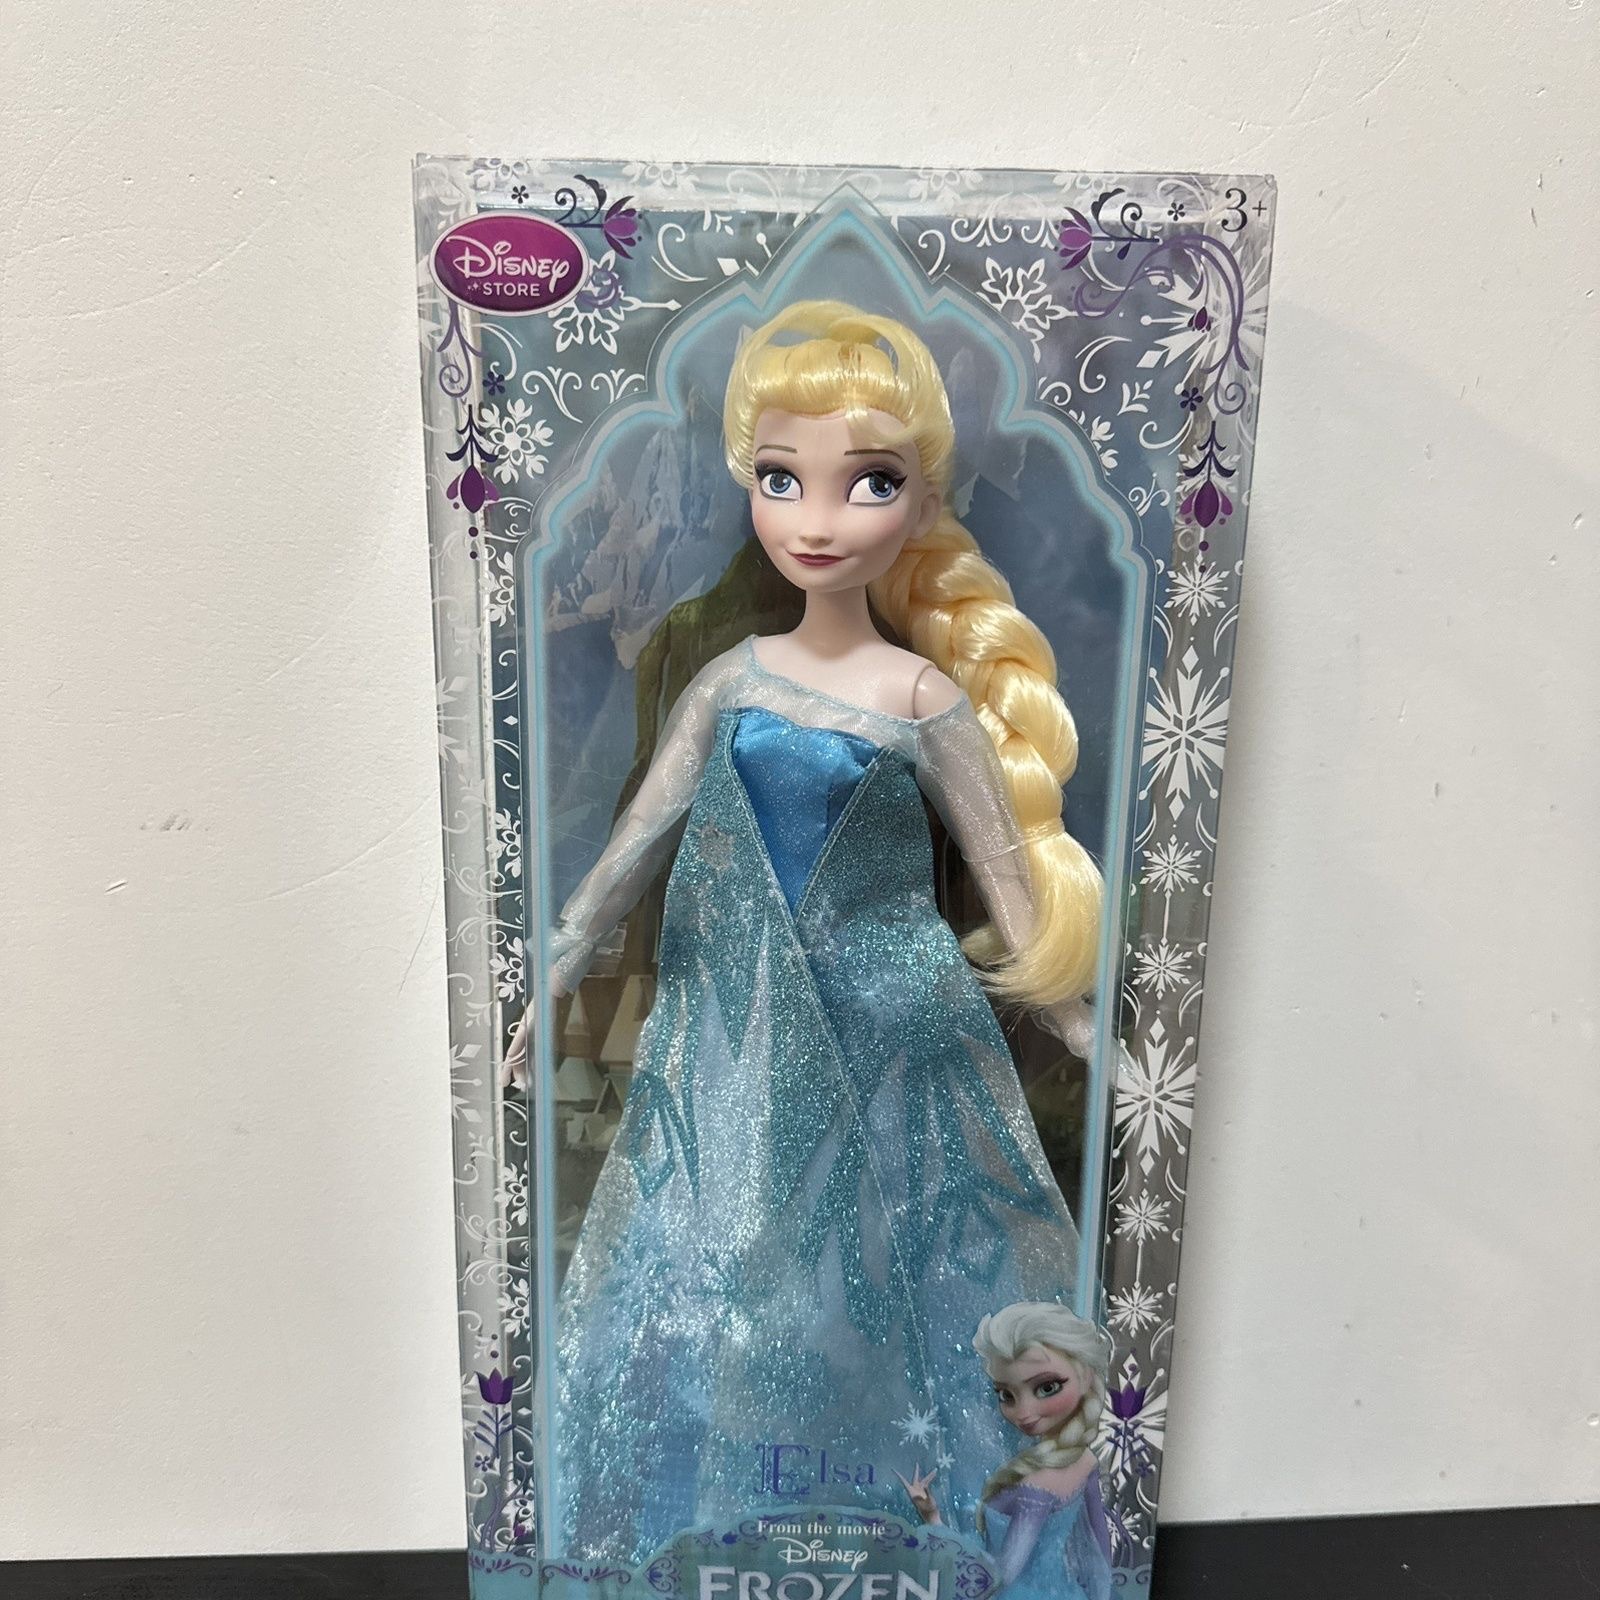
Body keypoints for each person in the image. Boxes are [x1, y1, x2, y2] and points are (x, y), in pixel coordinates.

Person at [522, 300, 1105, 1563]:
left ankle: (918, 1515)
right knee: (732, 1262)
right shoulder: (731, 678)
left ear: (923, 498)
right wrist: (561, 959)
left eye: (870, 481)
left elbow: (1002, 866)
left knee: (901, 1259)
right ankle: (729, 1518)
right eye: (782, 479)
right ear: (748, 483)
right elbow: (640, 835)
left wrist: (1070, 1011)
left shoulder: (920, 694)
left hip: (893, 1026)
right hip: (738, 1034)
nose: (818, 519)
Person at [900, 1301, 1114, 1600]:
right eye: (1006, 1395)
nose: (1024, 1413)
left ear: (1086, 1376)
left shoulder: (1036, 1487)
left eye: (1047, 1387)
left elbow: (1000, 1574)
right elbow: (1099, 1546)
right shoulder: (1085, 1460)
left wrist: (935, 1525)